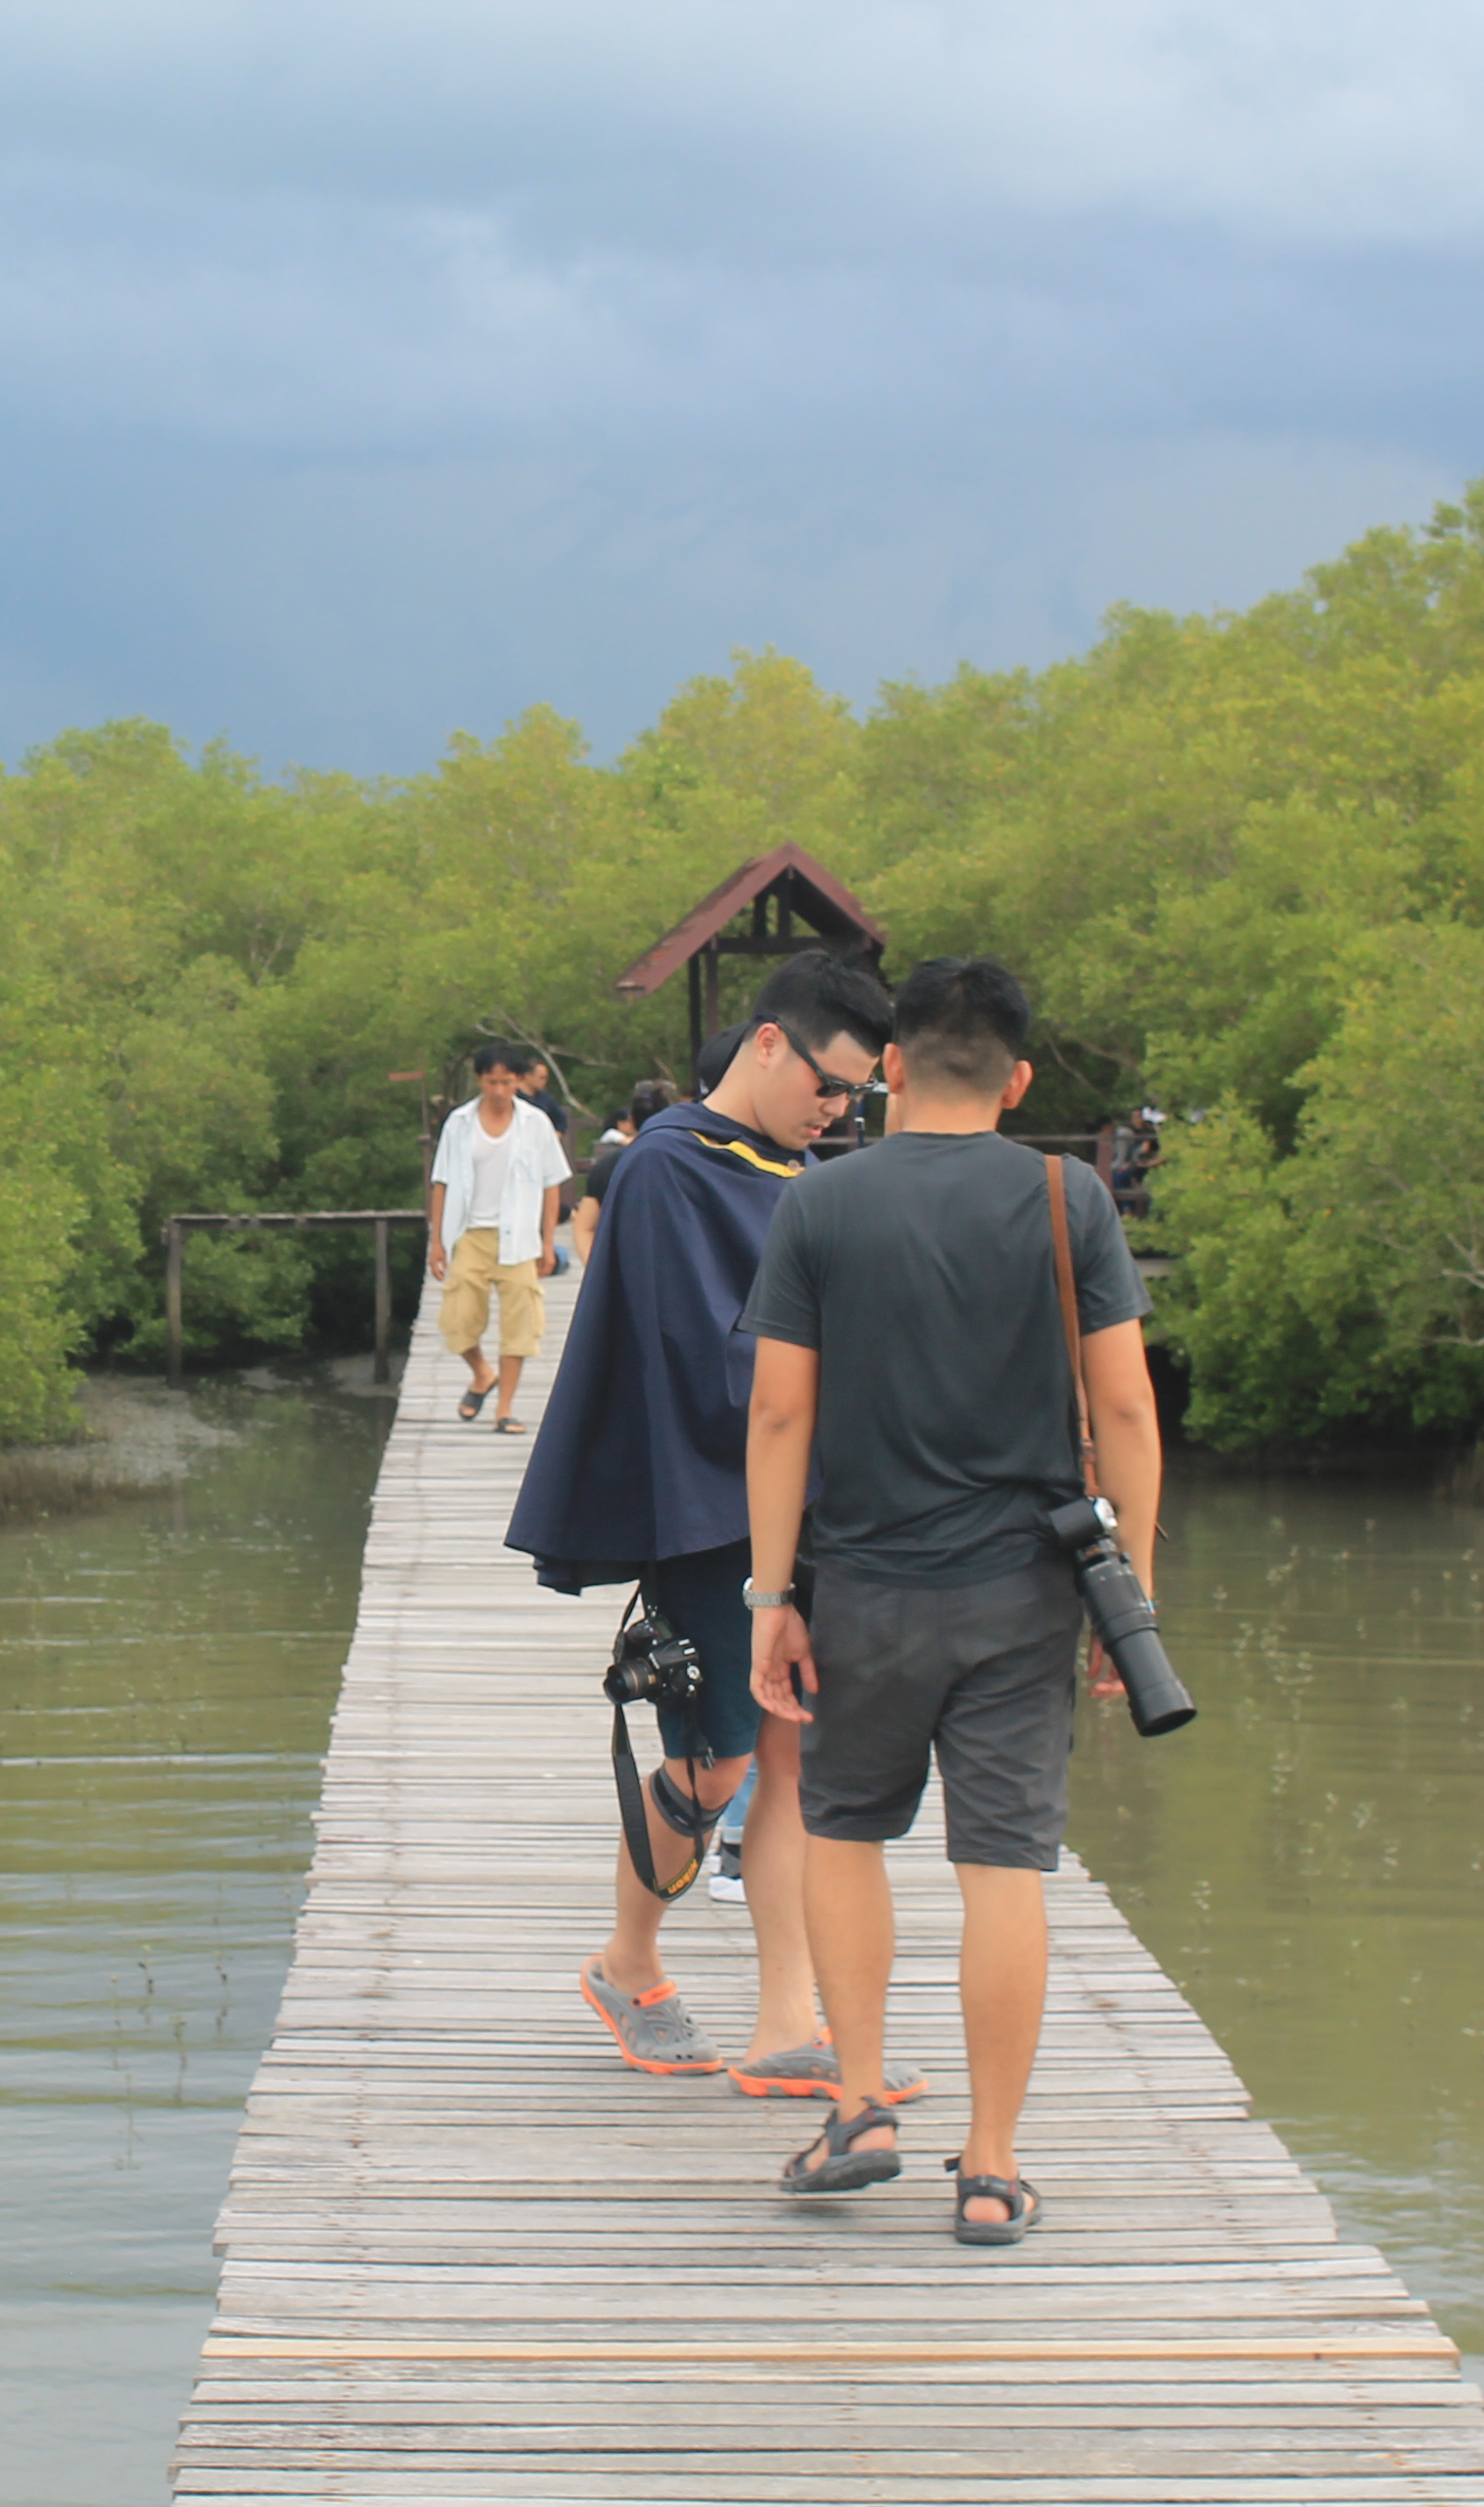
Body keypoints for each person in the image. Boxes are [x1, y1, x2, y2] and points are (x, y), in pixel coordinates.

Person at [741, 956, 1161, 2244]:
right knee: (1004, 1870)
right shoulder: (1066, 1197)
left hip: (863, 1588)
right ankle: (989, 2169)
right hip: (1022, 1597)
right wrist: (1127, 1593)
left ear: (901, 1067)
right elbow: (1128, 1408)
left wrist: (772, 1595)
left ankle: (860, 2104)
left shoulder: (821, 1207)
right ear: (1020, 1075)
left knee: (845, 1833)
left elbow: (778, 1411)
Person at [509, 954, 924, 2109]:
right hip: (709, 1507)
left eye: (858, 1099)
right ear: (772, 1043)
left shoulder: (796, 1171)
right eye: (831, 1085)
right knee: (720, 1759)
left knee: (797, 1756)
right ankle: (627, 1962)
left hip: (813, 1502)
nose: (838, 1111)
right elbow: (708, 1363)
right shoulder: (665, 1171)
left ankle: (793, 2018)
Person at [425, 1042, 573, 1433]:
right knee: (457, 1319)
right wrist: (437, 1242)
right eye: (492, 1082)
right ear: (480, 1080)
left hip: (519, 1236)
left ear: (519, 1082)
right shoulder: (459, 1123)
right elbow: (440, 1182)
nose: (499, 1090)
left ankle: (504, 1409)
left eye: (507, 1082)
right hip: (470, 1233)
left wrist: (547, 1241)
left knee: (521, 1323)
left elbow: (551, 1183)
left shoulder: (536, 1123)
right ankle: (481, 1372)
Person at [568, 1080, 678, 1270]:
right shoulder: (690, 1161)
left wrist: (598, 1272)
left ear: (632, 1121)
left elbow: (584, 1226)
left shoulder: (610, 1164)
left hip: (625, 1267)